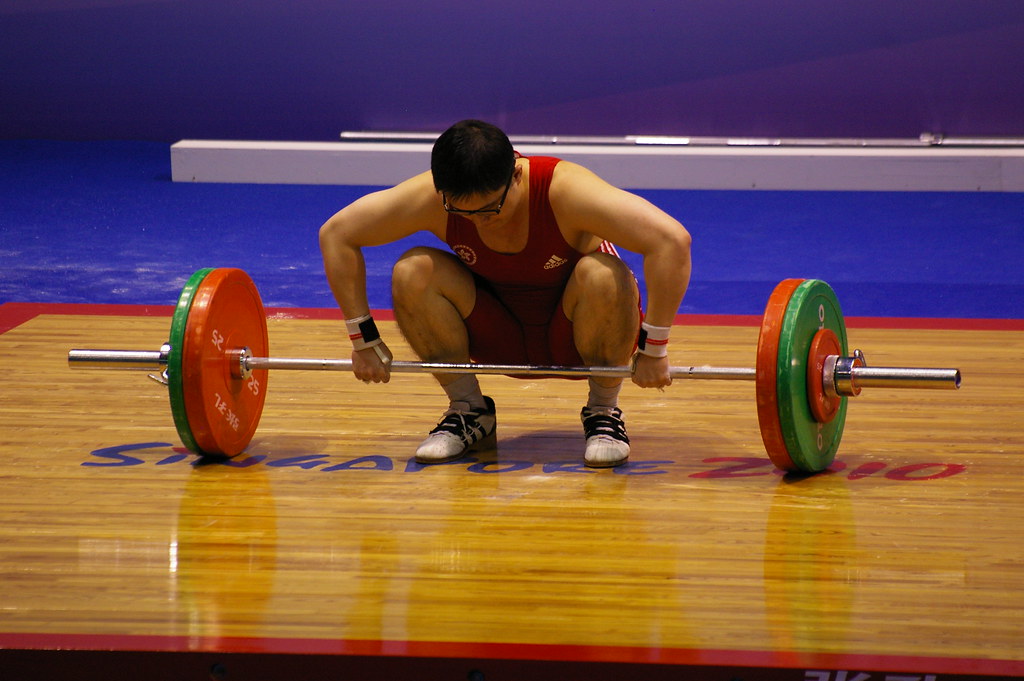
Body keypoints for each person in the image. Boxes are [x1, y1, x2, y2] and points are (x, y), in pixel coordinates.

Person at [319, 120, 691, 468]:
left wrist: (654, 346)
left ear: (516, 173)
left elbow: (671, 241)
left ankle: (603, 412)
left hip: (581, 336)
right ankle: (468, 411)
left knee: (602, 273)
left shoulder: (565, 190)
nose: (478, 221)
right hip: (498, 332)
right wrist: (362, 337)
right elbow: (337, 234)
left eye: (489, 210)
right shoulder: (433, 197)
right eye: (461, 213)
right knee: (412, 270)